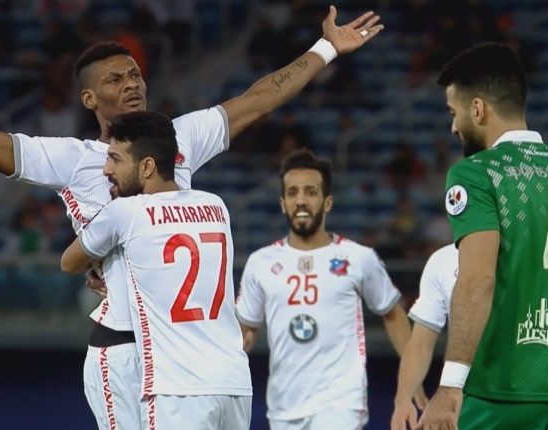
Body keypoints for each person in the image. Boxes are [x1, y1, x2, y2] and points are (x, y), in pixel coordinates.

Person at [0, 7, 382, 428]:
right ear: (88, 99)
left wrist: (326, 48)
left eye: (135, 74)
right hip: (124, 351)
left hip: (190, 354)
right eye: (114, 79)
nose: (131, 84)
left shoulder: (178, 139)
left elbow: (261, 97)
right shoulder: (71, 159)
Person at [61, 111, 252, 429]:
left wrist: (104, 266)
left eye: (116, 159)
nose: (107, 170)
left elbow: (69, 262)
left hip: (178, 389)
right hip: (235, 383)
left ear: (147, 166)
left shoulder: (125, 212)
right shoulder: (216, 205)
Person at [235, 148, 425, 430]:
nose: (301, 200)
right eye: (293, 193)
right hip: (283, 405)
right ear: (283, 203)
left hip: (341, 403)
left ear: (328, 202)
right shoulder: (260, 262)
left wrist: (413, 385)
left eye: (311, 192)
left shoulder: (358, 258)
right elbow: (247, 330)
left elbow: (393, 314)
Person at [418, 42, 548, 429]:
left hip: (499, 393)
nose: (453, 127)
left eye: (453, 112)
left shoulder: (476, 173)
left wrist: (449, 387)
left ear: (478, 109)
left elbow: (477, 280)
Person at [391, 244, 458, 430]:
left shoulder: (525, 251)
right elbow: (420, 343)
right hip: (469, 392)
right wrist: (403, 397)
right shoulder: (443, 260)